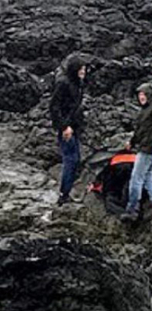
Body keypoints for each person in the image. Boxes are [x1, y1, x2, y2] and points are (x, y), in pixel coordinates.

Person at [121, 83, 152, 222]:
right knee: (148, 177)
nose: (141, 97)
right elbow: (140, 130)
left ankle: (132, 209)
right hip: (147, 147)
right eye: (139, 95)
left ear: (149, 95)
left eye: (143, 94)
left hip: (149, 149)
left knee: (136, 179)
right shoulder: (146, 109)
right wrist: (132, 142)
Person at [49, 57, 86, 205]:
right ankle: (63, 195)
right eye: (81, 69)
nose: (84, 72)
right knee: (71, 160)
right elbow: (54, 106)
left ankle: (66, 193)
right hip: (67, 129)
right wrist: (64, 127)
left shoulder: (78, 83)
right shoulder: (63, 83)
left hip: (74, 126)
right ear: (74, 70)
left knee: (75, 159)